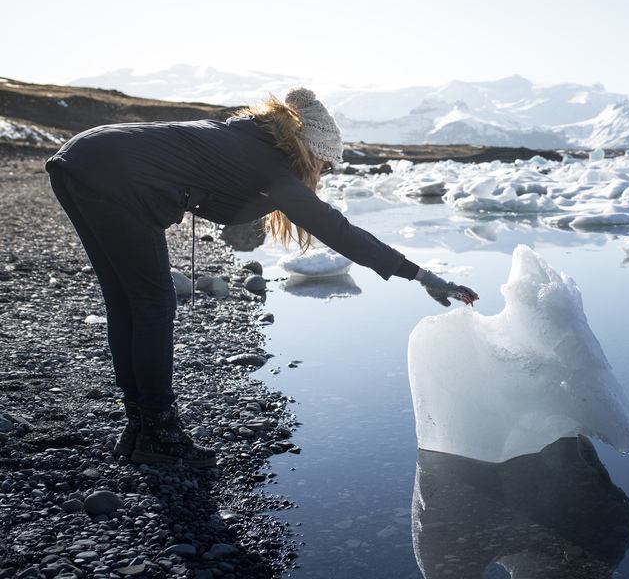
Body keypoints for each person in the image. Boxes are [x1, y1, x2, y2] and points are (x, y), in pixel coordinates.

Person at [45, 88, 478, 468]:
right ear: (309, 152)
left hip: (81, 158)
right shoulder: (275, 170)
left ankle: (139, 428)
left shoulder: (247, 137)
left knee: (127, 300)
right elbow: (341, 233)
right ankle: (158, 430)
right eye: (325, 167)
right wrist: (421, 274)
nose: (323, 176)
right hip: (116, 176)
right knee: (154, 303)